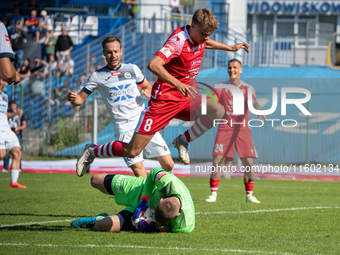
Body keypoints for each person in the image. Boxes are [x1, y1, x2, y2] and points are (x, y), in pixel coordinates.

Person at [75, 8, 250, 176]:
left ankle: (183, 140)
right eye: (204, 33)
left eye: (208, 34)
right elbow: (153, 64)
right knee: (132, 150)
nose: (206, 38)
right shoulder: (177, 41)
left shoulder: (199, 37)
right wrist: (176, 83)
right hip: (164, 101)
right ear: (193, 26)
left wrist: (231, 48)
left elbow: (206, 42)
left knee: (217, 110)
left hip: (184, 98)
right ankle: (92, 151)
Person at [68, 36, 174, 177]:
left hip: (144, 122)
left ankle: (161, 193)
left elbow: (147, 85)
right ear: (104, 53)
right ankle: (154, 198)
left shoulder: (132, 69)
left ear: (121, 51)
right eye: (109, 52)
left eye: (116, 51)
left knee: (168, 164)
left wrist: (148, 89)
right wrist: (73, 99)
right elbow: (80, 100)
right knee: (140, 172)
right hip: (124, 127)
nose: (113, 55)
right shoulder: (97, 76)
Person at [205, 59, 265, 203]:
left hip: (242, 129)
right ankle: (213, 194)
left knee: (249, 163)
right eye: (230, 67)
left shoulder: (248, 88)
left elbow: (254, 102)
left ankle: (249, 195)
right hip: (225, 127)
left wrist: (258, 111)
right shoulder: (220, 88)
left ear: (241, 70)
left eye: (235, 67)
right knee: (217, 161)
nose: (232, 70)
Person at [71, 168, 195, 233]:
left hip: (144, 216)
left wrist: (156, 229)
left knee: (100, 226)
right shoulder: (168, 181)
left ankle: (98, 218)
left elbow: (171, 230)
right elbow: (152, 174)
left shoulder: (185, 225)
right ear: (161, 200)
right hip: (139, 188)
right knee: (95, 180)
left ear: (177, 215)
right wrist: (143, 201)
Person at [0, 79, 26, 188]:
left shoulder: (5, 96)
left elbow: (5, 114)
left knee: (17, 152)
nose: (1, 81)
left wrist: (15, 113)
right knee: (1, 155)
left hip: (6, 128)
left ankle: (13, 182)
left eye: (2, 79)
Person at [2, 100, 27, 173]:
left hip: (17, 135)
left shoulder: (20, 114)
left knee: (17, 151)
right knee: (5, 151)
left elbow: (24, 125)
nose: (12, 107)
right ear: (9, 106)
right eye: (11, 105)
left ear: (16, 105)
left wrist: (18, 128)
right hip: (7, 134)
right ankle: (6, 168)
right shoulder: (6, 113)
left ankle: (18, 168)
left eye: (14, 105)